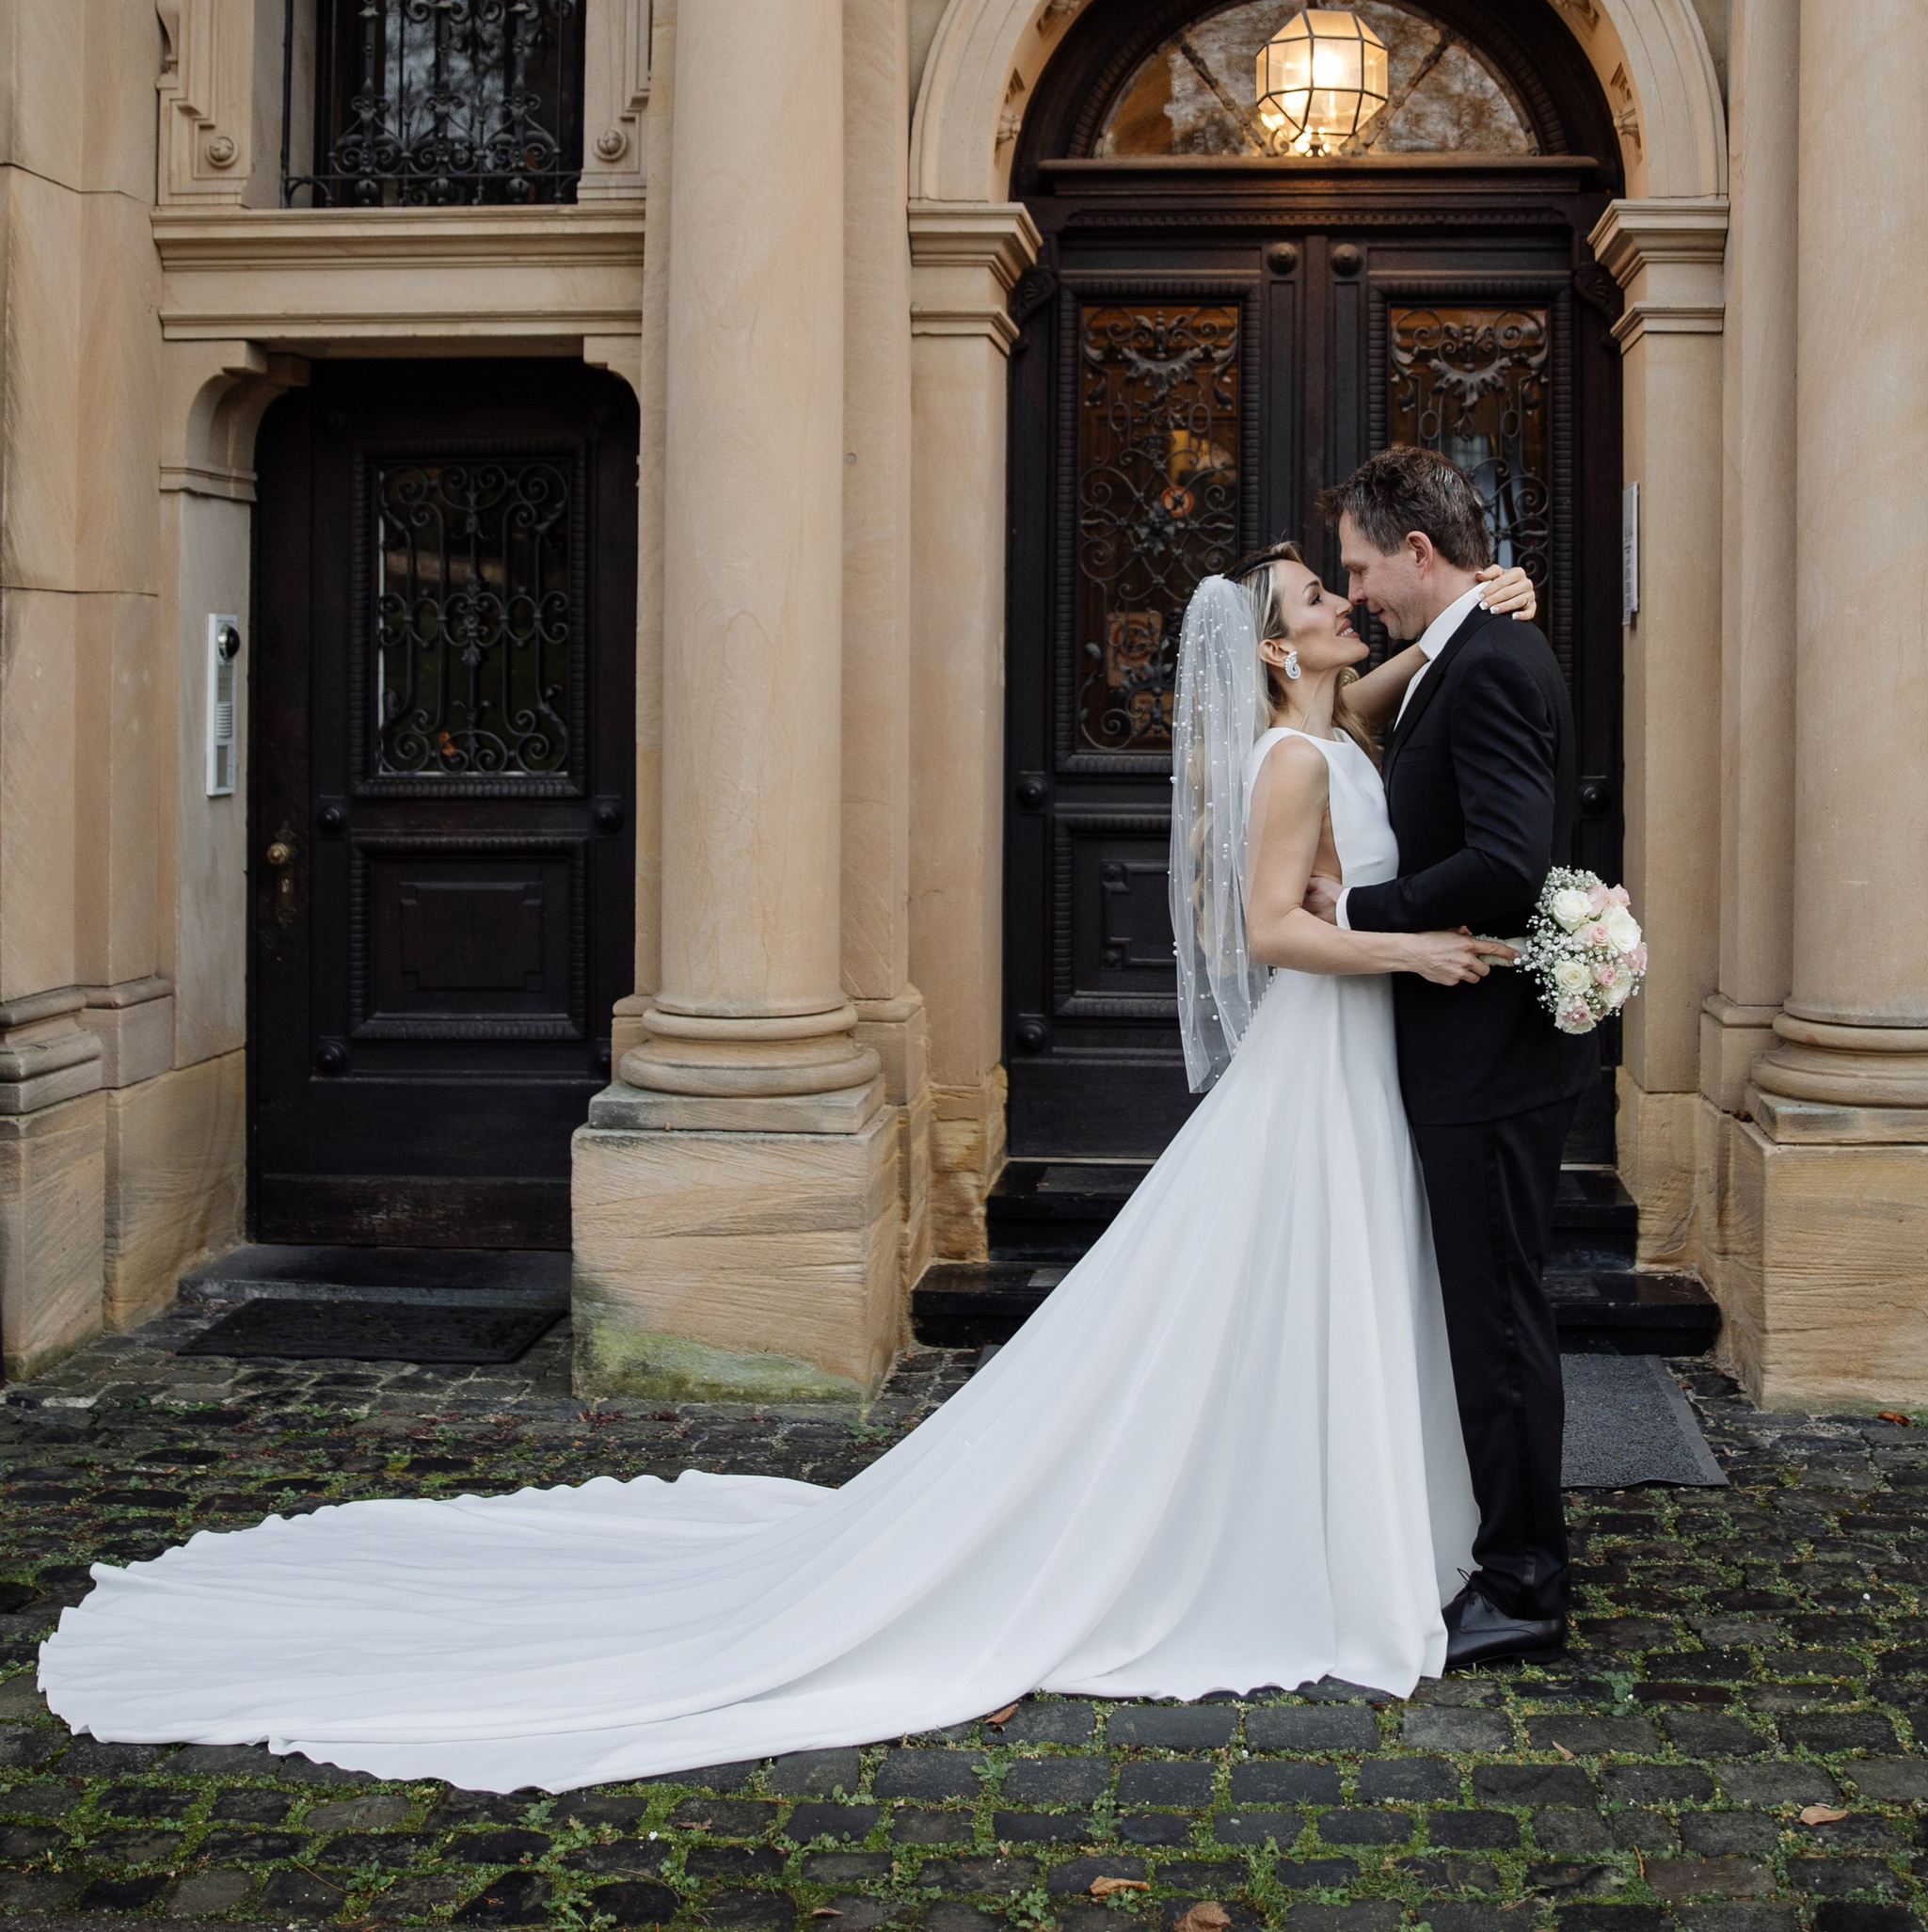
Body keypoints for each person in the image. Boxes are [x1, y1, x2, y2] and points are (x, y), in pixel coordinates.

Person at [39, 550, 1536, 1792]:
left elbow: (1378, 696)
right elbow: (1275, 929)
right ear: (1282, 654)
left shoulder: (1338, 725)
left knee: (1309, 1286)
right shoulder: (1292, 755)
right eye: (1318, 602)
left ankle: (1340, 1510)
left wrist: (1477, 608)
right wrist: (1405, 941)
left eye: (1346, 597)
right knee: (1265, 1287)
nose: (1347, 605)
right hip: (1325, 1045)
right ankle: (1273, 1528)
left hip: (1351, 1067)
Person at [1315, 447, 1595, 1669]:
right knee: (1490, 1315)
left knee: (1496, 1322)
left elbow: (1507, 865)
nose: (1359, 591)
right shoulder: (1470, 650)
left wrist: (1361, 912)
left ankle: (1527, 1579)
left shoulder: (1486, 666)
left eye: (1364, 567)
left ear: (1417, 552)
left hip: (1488, 1052)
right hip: (1483, 1051)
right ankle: (1510, 1546)